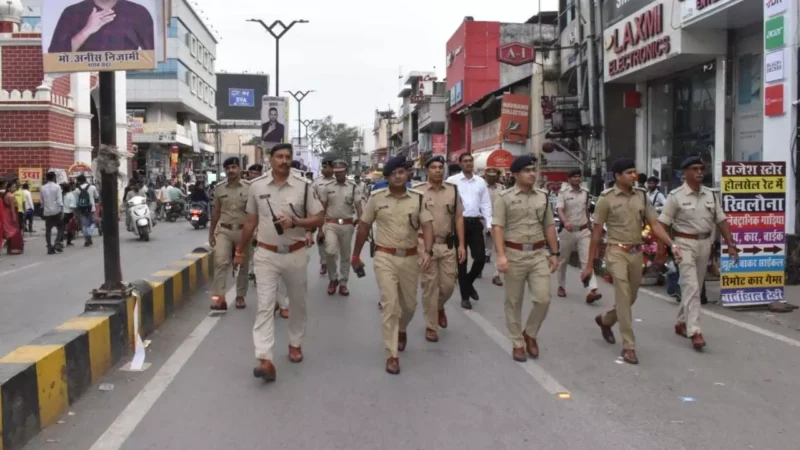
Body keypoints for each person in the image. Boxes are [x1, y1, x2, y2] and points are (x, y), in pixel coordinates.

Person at [234, 143, 324, 382]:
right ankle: (265, 358)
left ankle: (295, 343)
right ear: (270, 159)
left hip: (295, 253)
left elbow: (318, 217)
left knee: (298, 303)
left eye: (288, 157)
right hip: (265, 254)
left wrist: (295, 222)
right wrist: (241, 249)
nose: (284, 161)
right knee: (264, 305)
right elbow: (250, 221)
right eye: (279, 157)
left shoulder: (304, 186)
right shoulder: (256, 186)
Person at [582, 157, 679, 365]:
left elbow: (655, 223)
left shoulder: (642, 196)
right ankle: (629, 346)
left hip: (637, 253)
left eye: (635, 172)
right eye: (629, 172)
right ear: (617, 176)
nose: (634, 175)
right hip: (615, 252)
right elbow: (596, 234)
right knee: (624, 297)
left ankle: (606, 320)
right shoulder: (605, 199)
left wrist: (671, 244)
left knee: (631, 298)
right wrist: (589, 264)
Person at [351, 155, 434, 375]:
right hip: (384, 256)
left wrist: (427, 250)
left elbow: (427, 226)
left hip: (410, 257)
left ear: (408, 175)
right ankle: (391, 355)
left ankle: (403, 328)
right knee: (390, 305)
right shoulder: (376, 198)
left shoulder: (418, 198)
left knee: (409, 306)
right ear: (387, 177)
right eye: (395, 173)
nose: (399, 176)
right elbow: (364, 227)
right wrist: (356, 255)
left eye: (403, 172)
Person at [658, 156, 738, 350]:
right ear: (684, 173)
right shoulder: (675, 196)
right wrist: (662, 251)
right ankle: (695, 331)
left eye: (701, 168)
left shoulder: (711, 195)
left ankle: (680, 321)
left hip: (705, 244)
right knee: (692, 287)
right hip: (683, 243)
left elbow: (721, 220)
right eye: (694, 169)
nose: (700, 172)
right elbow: (662, 225)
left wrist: (731, 244)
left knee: (694, 285)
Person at [492, 156, 559, 361]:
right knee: (513, 301)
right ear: (515, 174)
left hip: (539, 253)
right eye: (527, 170)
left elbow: (549, 226)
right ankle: (517, 343)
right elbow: (497, 227)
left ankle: (530, 333)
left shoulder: (543, 196)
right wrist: (501, 256)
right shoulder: (504, 198)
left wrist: (555, 253)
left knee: (543, 299)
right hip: (514, 254)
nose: (532, 173)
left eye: (533, 169)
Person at [414, 155, 466, 342]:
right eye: (433, 167)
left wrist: (461, 244)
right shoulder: (417, 192)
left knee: (448, 286)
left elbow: (459, 218)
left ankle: (439, 307)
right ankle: (431, 326)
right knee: (429, 286)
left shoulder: (453, 191)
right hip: (424, 245)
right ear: (427, 170)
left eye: (440, 167)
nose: (437, 170)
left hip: (447, 244)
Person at [446, 153, 492, 310]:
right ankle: (465, 297)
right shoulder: (452, 181)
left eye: (470, 161)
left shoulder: (480, 182)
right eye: (464, 161)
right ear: (460, 163)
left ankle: (467, 282)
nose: (468, 163)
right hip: (458, 224)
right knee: (462, 260)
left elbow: (486, 204)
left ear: (473, 163)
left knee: (480, 258)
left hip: (475, 223)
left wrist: (489, 224)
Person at [209, 157, 251, 311]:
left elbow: (254, 213)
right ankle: (219, 298)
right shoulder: (219, 188)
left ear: (239, 169)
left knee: (243, 265)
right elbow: (215, 212)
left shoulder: (249, 187)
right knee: (220, 262)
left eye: (234, 167)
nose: (231, 170)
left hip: (244, 231)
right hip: (224, 230)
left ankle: (240, 296)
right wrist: (211, 233)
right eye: (228, 168)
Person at [556, 168, 602, 303]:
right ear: (569, 179)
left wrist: (590, 226)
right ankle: (561, 286)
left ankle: (592, 290)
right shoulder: (563, 192)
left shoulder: (585, 193)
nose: (577, 179)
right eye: (574, 177)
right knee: (563, 260)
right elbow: (560, 209)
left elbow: (586, 210)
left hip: (583, 230)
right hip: (567, 231)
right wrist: (565, 221)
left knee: (587, 260)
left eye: (578, 176)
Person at [319, 160, 363, 296]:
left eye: (341, 171)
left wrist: (361, 223)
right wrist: (320, 229)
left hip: (347, 224)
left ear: (346, 171)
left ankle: (343, 282)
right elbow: (322, 208)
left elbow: (358, 206)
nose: (338, 174)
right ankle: (333, 278)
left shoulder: (354, 187)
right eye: (336, 171)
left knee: (345, 255)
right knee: (330, 252)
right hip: (330, 224)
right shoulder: (327, 187)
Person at [48, 0, 155, 53]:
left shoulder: (139, 13)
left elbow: (152, 55)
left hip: (125, 81)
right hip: (83, 82)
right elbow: (56, 57)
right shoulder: (72, 12)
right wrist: (86, 31)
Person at [482, 167, 505, 285]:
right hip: (482, 220)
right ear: (485, 176)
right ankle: (479, 268)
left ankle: (497, 275)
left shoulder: (502, 189)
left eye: (493, 176)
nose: (491, 178)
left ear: (497, 177)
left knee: (498, 248)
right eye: (489, 176)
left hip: (497, 221)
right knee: (481, 246)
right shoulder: (480, 187)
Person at [313, 159, 335, 276]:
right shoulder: (316, 182)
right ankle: (323, 262)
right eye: (323, 167)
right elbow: (312, 199)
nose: (323, 169)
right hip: (320, 215)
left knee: (333, 242)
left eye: (326, 167)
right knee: (321, 239)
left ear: (332, 168)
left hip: (334, 216)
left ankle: (332, 262)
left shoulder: (338, 182)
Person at [40, 172, 64, 255]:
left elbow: (42, 201)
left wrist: (43, 208)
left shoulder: (42, 188)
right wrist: (62, 210)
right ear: (54, 177)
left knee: (48, 230)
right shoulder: (57, 187)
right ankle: (57, 242)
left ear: (46, 178)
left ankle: (49, 247)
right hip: (56, 210)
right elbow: (59, 200)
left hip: (47, 211)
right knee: (61, 226)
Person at [74, 174, 99, 246]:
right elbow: (96, 197)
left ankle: (86, 239)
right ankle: (89, 233)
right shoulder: (92, 187)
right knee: (93, 222)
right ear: (85, 180)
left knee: (84, 224)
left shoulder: (76, 190)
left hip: (81, 209)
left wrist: (76, 212)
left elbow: (76, 201)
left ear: (79, 181)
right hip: (91, 208)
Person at [2, 181, 23, 255]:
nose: (15, 188)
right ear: (9, 188)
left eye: (15, 186)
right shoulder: (11, 196)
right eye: (13, 187)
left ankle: (9, 249)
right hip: (10, 214)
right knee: (15, 231)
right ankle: (14, 249)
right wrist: (14, 216)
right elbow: (12, 207)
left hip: (5, 213)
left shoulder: (5, 195)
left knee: (9, 230)